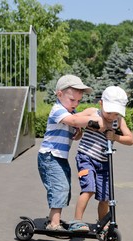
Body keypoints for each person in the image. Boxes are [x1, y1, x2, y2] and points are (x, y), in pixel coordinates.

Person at [38, 74, 103, 231]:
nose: (75, 104)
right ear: (60, 94)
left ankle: (54, 218)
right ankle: (54, 224)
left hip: (59, 157)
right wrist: (92, 122)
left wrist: (79, 132)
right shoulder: (57, 110)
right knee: (59, 187)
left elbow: (76, 129)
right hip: (49, 156)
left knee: (64, 187)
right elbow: (73, 121)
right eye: (72, 100)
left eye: (79, 101)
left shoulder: (70, 111)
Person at [69, 86, 133, 232]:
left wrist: (115, 137)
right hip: (86, 157)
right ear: (101, 104)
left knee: (105, 197)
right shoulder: (93, 112)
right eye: (109, 112)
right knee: (89, 188)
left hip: (104, 162)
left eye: (115, 113)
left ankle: (102, 224)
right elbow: (74, 119)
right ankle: (77, 221)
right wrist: (79, 129)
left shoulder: (118, 120)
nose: (111, 116)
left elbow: (130, 140)